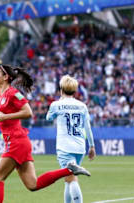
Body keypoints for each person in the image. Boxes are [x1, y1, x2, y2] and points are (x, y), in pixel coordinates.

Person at [0, 32, 91, 203]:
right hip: (17, 142)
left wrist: (6, 117)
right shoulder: (0, 90)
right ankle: (68, 170)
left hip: (17, 141)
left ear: (6, 77)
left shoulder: (12, 93)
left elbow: (28, 112)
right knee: (32, 185)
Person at [46, 75, 96, 203]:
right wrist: (91, 146)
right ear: (75, 91)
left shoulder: (57, 105)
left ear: (61, 89)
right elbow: (87, 128)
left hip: (65, 147)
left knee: (71, 179)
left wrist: (59, 103)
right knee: (68, 179)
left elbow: (48, 118)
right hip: (80, 147)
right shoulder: (82, 106)